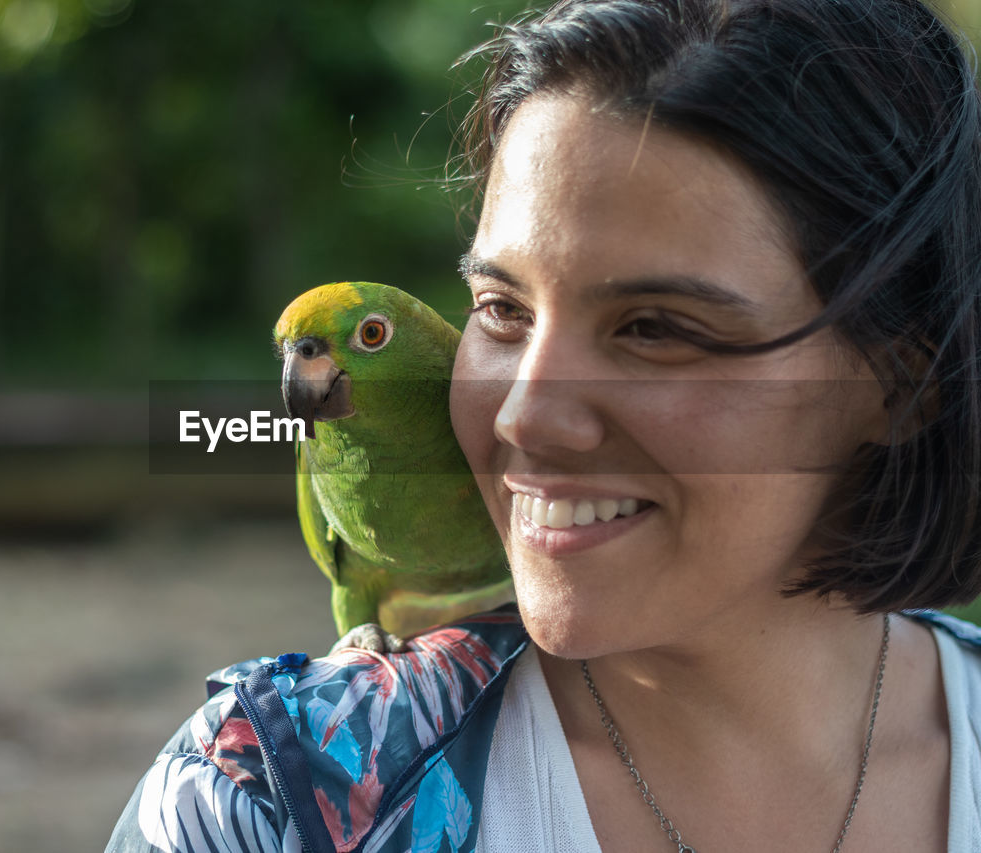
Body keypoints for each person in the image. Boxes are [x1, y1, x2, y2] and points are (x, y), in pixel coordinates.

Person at [107, 0, 981, 849]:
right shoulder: (264, 800)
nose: (526, 414)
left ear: (901, 385)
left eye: (654, 328)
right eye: (500, 308)